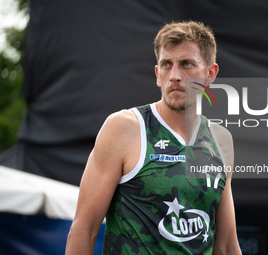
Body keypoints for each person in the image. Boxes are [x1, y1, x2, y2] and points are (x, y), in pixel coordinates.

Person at [66, 21, 242, 255]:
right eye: (167, 65)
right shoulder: (125, 127)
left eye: (187, 64)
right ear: (158, 75)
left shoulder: (220, 140)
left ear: (210, 74)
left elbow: (227, 245)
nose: (175, 76)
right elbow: (83, 231)